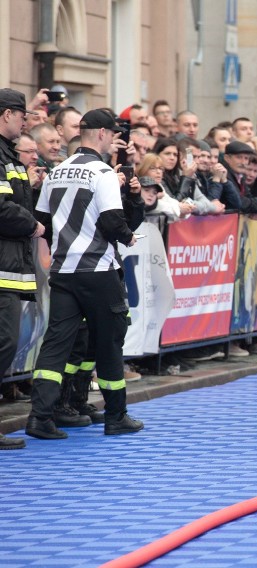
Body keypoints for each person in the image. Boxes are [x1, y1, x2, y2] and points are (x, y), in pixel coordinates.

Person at [26, 108, 144, 439]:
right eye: (114, 134)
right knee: (108, 342)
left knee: (56, 344)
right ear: (103, 134)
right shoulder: (103, 173)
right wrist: (128, 236)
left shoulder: (57, 171)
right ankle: (116, 415)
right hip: (98, 269)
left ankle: (40, 417)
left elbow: (43, 221)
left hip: (64, 271)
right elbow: (110, 222)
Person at [0, 88, 44, 449]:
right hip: (3, 264)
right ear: (6, 115)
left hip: (10, 265)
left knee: (7, 341)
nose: (25, 121)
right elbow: (2, 208)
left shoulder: (9, 157)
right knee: (5, 341)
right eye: (21, 115)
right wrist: (31, 224)